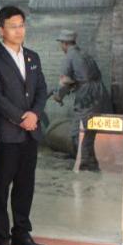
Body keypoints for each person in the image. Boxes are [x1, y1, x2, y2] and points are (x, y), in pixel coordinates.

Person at [0, 6, 49, 245]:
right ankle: (2, 238)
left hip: (30, 133)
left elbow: (41, 89)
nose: (19, 31)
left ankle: (22, 232)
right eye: (13, 26)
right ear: (1, 29)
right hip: (7, 134)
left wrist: (35, 114)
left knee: (25, 185)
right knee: (1, 188)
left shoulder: (33, 57)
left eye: (21, 25)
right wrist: (21, 118)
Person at [51, 30, 110, 171]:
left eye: (61, 43)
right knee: (92, 129)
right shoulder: (84, 54)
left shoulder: (69, 57)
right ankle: (91, 160)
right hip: (100, 93)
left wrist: (59, 96)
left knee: (78, 131)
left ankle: (86, 164)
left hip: (87, 96)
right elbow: (85, 76)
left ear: (64, 43)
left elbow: (65, 81)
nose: (61, 46)